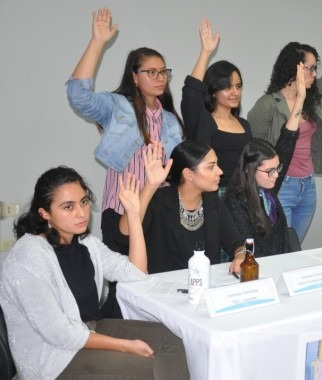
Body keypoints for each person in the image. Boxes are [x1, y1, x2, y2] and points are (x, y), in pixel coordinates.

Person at [0, 167, 188, 379]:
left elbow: (136, 272)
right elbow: (59, 333)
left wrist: (134, 215)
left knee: (173, 340)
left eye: (83, 202)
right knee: (141, 364)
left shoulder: (86, 243)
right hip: (54, 358)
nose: (81, 213)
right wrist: (125, 345)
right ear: (45, 214)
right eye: (68, 207)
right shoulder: (28, 257)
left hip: (91, 329)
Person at [66, 8, 184, 318]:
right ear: (134, 76)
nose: (160, 78)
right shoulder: (118, 106)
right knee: (125, 288)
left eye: (164, 72)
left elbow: (177, 171)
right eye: (151, 72)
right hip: (119, 210)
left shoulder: (171, 121)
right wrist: (97, 42)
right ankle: (114, 335)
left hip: (157, 210)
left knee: (153, 283)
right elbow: (79, 97)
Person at [248, 0, 322, 242]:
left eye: (316, 68)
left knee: (293, 246)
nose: (315, 74)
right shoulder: (268, 104)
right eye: (310, 68)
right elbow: (252, 147)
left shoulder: (312, 98)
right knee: (281, 246)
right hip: (282, 186)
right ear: (294, 68)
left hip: (307, 187)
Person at [116, 141, 243, 274]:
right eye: (211, 167)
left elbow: (236, 242)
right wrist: (151, 185)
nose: (220, 172)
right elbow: (124, 236)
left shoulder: (213, 202)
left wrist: (241, 255)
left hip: (204, 286)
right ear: (188, 174)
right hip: (162, 289)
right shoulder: (159, 200)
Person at [226, 63, 306, 271]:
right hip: (255, 274)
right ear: (249, 170)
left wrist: (300, 100)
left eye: (277, 169)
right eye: (269, 171)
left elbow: (287, 142)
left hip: (280, 269)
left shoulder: (268, 189)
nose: (276, 175)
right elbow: (246, 249)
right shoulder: (236, 202)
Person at [181, 18, 251, 196]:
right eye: (227, 87)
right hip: (213, 195)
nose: (235, 92)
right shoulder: (204, 120)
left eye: (238, 86)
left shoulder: (244, 124)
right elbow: (191, 94)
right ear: (213, 91)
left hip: (243, 196)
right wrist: (205, 53)